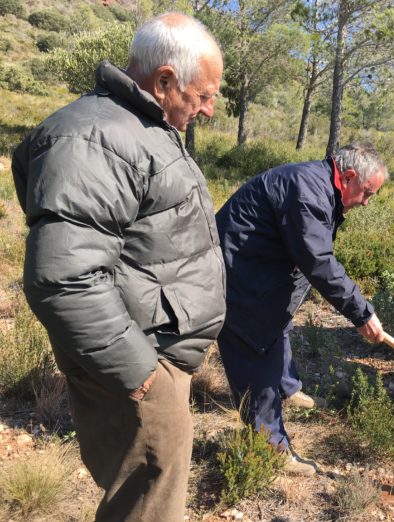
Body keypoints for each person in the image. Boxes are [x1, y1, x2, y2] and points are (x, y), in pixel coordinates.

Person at [11, 13, 225, 521]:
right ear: (165, 79)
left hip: (150, 351)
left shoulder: (139, 126)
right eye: (204, 94)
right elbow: (64, 277)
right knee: (146, 506)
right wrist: (141, 373)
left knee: (146, 497)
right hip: (139, 361)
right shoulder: (94, 137)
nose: (210, 109)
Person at [215, 142, 387, 476]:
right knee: (255, 348)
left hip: (260, 269)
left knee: (278, 324)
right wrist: (361, 312)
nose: (366, 202)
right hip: (237, 276)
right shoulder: (307, 191)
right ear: (349, 177)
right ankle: (271, 449)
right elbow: (318, 260)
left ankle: (287, 389)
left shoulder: (320, 184)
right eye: (367, 193)